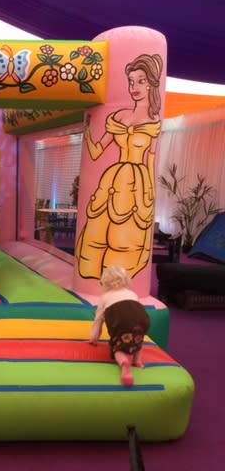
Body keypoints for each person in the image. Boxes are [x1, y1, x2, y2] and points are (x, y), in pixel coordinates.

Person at [77, 53, 163, 279]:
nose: (134, 87)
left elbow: (151, 161)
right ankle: (94, 277)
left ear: (151, 83)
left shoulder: (154, 123)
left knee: (125, 237)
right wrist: (87, 130)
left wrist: (148, 197)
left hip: (137, 185)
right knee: (98, 231)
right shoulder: (119, 117)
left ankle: (116, 281)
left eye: (141, 81)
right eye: (131, 81)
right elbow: (96, 151)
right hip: (113, 179)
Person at [89, 265, 151, 387]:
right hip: (142, 319)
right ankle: (137, 361)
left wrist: (94, 338)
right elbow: (136, 310)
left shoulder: (104, 297)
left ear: (104, 283)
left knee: (118, 347)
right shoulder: (132, 293)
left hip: (121, 322)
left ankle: (124, 363)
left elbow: (98, 320)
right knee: (138, 337)